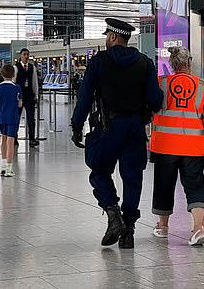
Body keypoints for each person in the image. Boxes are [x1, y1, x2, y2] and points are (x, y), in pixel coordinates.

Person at [71, 18, 163, 249]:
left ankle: (113, 213)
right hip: (134, 129)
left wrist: (76, 125)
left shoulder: (99, 62)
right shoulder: (144, 63)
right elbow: (155, 99)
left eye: (106, 35)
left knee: (99, 172)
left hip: (107, 128)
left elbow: (84, 98)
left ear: (113, 37)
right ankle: (128, 231)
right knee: (133, 178)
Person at [150, 46, 204, 246]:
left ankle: (162, 227)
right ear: (189, 62)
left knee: (164, 185)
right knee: (195, 186)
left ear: (171, 64)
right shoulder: (201, 86)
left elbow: (151, 109)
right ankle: (198, 229)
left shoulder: (161, 84)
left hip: (165, 146)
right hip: (193, 147)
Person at [0, 65, 22, 178]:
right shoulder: (16, 87)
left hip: (2, 117)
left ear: (1, 75)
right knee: (11, 141)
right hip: (13, 117)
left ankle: (3, 165)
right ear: (13, 75)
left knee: (4, 139)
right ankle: (9, 168)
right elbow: (20, 103)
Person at [14, 49, 40, 147]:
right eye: (24, 54)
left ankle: (32, 139)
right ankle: (14, 138)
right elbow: (14, 81)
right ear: (20, 56)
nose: (26, 56)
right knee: (16, 118)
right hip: (19, 96)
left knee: (31, 118)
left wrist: (36, 95)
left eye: (27, 55)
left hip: (29, 96)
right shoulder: (16, 67)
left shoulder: (32, 67)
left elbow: (34, 82)